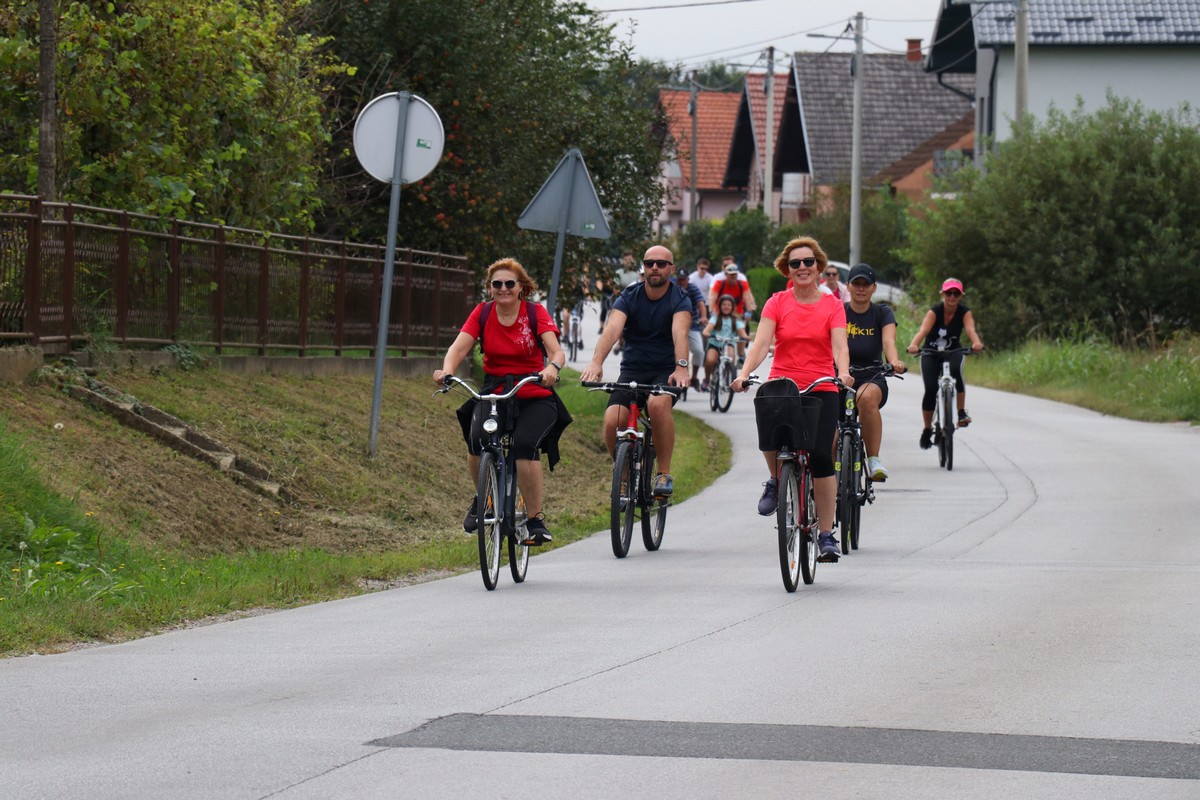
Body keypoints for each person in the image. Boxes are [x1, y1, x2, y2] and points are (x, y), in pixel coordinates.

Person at [433, 258, 571, 545]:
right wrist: (447, 370)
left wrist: (551, 369)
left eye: (510, 283)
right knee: (476, 440)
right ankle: (483, 500)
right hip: (495, 391)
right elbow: (458, 348)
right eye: (497, 284)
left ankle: (535, 520)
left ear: (521, 287)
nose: (504, 288)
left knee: (523, 445)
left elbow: (556, 352)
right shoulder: (483, 313)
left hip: (532, 391)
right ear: (490, 288)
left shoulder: (534, 313)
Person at [731, 236, 852, 562]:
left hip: (822, 386)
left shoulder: (832, 305)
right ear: (787, 268)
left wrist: (843, 372)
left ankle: (826, 535)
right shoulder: (777, 302)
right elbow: (760, 344)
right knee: (767, 416)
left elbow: (840, 345)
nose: (802, 268)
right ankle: (775, 479)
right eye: (795, 263)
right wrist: (743, 373)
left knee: (821, 455)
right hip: (784, 383)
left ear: (819, 267)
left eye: (808, 262)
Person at [580, 245, 692, 498]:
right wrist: (596, 362)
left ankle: (663, 473)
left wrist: (681, 367)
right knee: (613, 421)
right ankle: (621, 471)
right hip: (632, 370)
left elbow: (680, 333)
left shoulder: (679, 298)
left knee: (656, 405)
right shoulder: (629, 295)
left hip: (665, 370)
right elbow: (612, 330)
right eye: (649, 263)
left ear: (671, 269)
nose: (654, 268)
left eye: (661, 264)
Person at [843, 263, 907, 481]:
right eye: (856, 284)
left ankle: (873, 460)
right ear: (848, 286)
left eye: (866, 284)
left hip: (871, 376)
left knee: (865, 396)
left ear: (873, 288)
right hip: (840, 376)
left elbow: (888, 340)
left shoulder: (882, 312)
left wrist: (894, 360)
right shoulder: (838, 311)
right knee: (830, 437)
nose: (861, 288)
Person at [906, 277, 985, 449]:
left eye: (956, 293)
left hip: (953, 352)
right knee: (931, 389)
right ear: (943, 294)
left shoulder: (964, 312)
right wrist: (914, 345)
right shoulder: (934, 311)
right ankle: (927, 429)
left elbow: (970, 329)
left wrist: (976, 344)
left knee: (957, 371)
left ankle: (961, 412)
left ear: (961, 296)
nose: (952, 296)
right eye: (949, 293)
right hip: (931, 353)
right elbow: (923, 330)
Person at [702, 294, 750, 390]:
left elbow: (742, 332)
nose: (726, 307)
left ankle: (726, 377)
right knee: (710, 361)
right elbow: (708, 328)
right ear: (720, 306)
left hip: (729, 343)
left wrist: (745, 337)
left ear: (732, 307)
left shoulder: (735, 319)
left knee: (731, 358)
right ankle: (707, 379)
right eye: (724, 305)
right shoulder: (715, 318)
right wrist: (706, 332)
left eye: (728, 305)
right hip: (715, 343)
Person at [676, 270, 708, 390]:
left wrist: (703, 317)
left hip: (692, 325)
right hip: (674, 326)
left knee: (699, 351)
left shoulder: (693, 288)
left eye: (684, 279)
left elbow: (701, 303)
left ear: (688, 280)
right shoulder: (671, 287)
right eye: (679, 279)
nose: (682, 282)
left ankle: (694, 377)